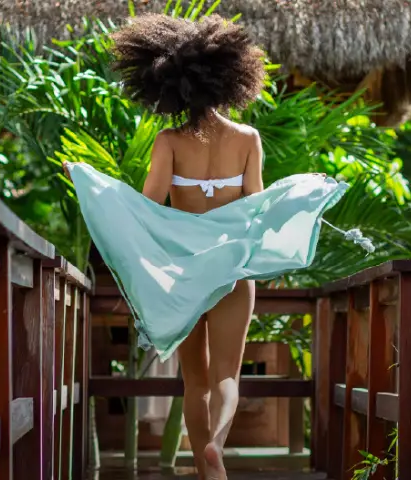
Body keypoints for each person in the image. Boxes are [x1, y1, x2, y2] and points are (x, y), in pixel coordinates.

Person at [65, 13, 350, 479]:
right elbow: (256, 212)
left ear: (166, 85)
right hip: (232, 271)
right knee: (225, 377)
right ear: (228, 80)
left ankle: (206, 471)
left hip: (183, 276)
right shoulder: (247, 140)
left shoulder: (169, 142)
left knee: (193, 381)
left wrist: (88, 179)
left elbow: (146, 210)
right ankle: (218, 444)